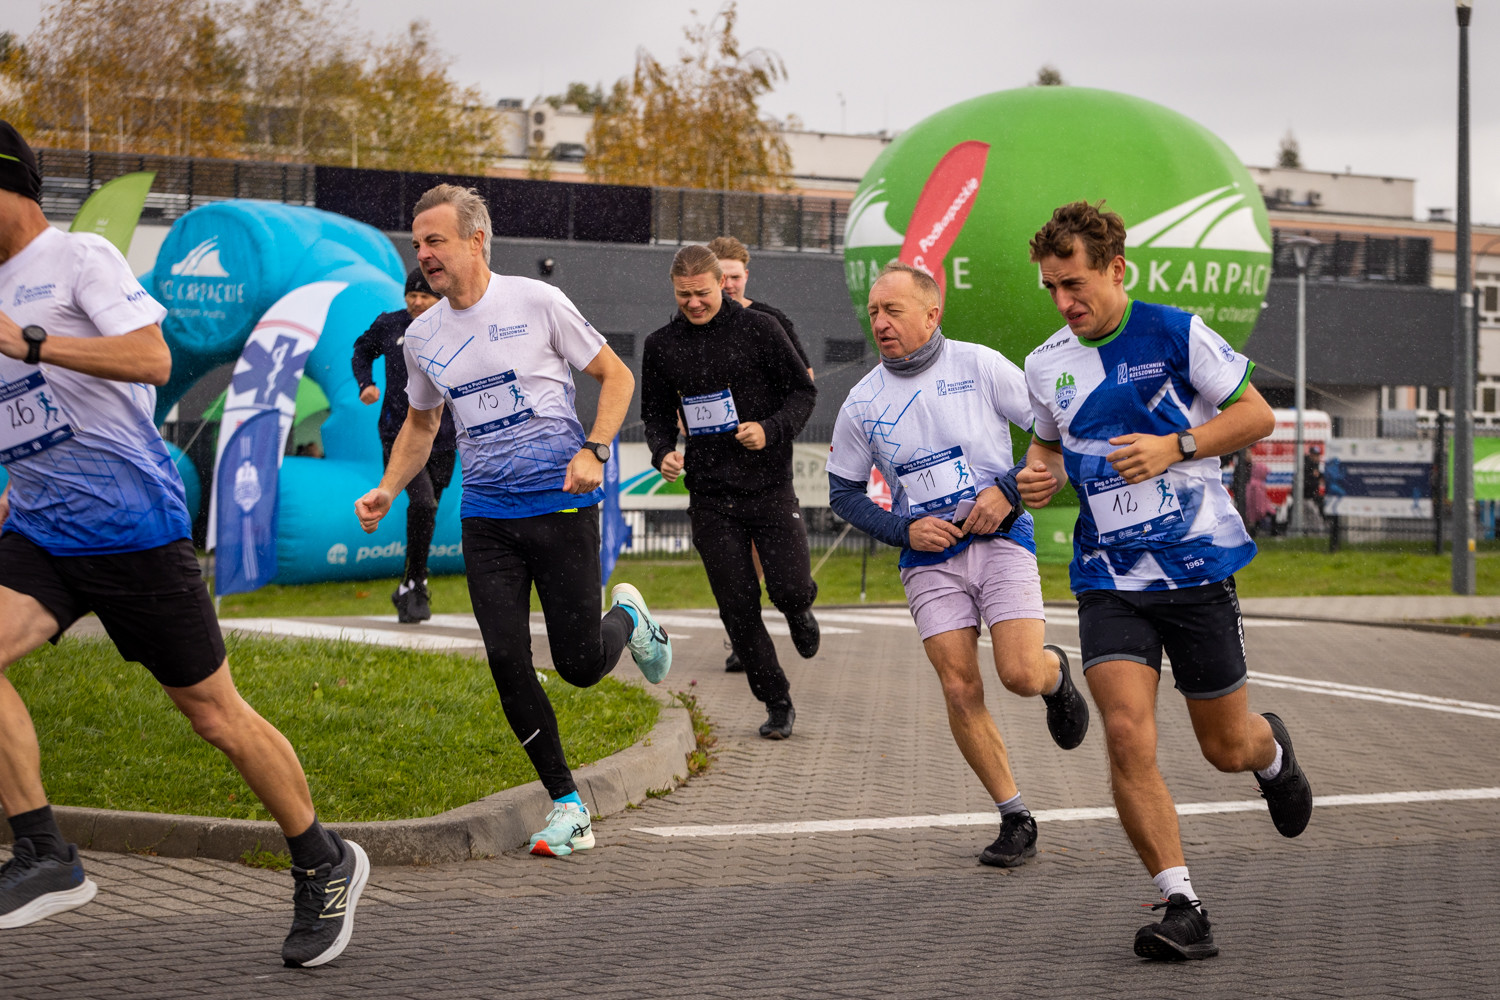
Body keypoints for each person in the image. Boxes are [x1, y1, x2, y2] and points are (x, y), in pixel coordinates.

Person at [0, 120, 365, 967]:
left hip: (134, 531)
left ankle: (324, 859)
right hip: (42, 528)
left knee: (213, 715)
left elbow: (153, 358)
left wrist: (30, 340)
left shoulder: (79, 258)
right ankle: (45, 852)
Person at [1018, 200, 1313, 961]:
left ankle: (1270, 754)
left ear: (1116, 269)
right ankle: (1182, 903)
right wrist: (1039, 476)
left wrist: (1175, 445)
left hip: (1195, 568)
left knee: (1224, 747)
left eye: (1074, 284)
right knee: (1125, 732)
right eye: (1051, 287)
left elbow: (1257, 416)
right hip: (1108, 577)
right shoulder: (1045, 363)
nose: (1063, 301)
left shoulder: (1176, 332)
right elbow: (1045, 447)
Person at [355, 184, 671, 858]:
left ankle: (630, 619)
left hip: (560, 505)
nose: (424, 254)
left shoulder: (537, 302)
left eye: (435, 240)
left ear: (476, 240)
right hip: (487, 518)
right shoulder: (422, 336)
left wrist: (595, 450)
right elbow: (422, 423)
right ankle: (567, 805)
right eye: (417, 243)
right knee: (505, 657)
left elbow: (617, 377)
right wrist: (388, 487)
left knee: (580, 664)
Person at [825, 261, 1089, 868]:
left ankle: (1054, 676)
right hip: (929, 561)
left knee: (1018, 674)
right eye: (874, 312)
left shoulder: (979, 365)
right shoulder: (862, 402)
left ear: (931, 313)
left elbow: (1054, 431)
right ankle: (1015, 815)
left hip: (1001, 539)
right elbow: (843, 493)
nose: (881, 322)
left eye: (893, 310)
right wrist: (903, 529)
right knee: (958, 685)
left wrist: (1009, 491)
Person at [641, 245, 818, 739]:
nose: (694, 303)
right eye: (684, 295)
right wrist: (663, 452)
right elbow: (655, 414)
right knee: (737, 606)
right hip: (711, 496)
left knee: (789, 587)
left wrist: (770, 429)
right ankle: (776, 700)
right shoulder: (661, 345)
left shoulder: (761, 328)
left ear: (722, 283)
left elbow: (803, 392)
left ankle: (799, 608)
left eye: (702, 293)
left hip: (769, 486)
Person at [707, 235, 813, 673]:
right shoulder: (692, 324)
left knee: (768, 548)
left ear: (745, 276)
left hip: (766, 456)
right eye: (720, 277)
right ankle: (742, 634)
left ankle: (793, 601)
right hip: (715, 461)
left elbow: (804, 379)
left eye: (734, 276)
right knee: (731, 552)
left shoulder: (769, 321)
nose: (728, 285)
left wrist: (769, 425)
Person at [351, 266, 456, 623]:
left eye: (425, 295)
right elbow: (362, 350)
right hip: (398, 432)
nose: (417, 301)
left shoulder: (453, 324)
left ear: (439, 298)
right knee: (423, 503)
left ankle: (410, 582)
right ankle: (416, 582)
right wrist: (365, 383)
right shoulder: (391, 324)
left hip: (444, 437)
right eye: (412, 294)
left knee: (429, 509)